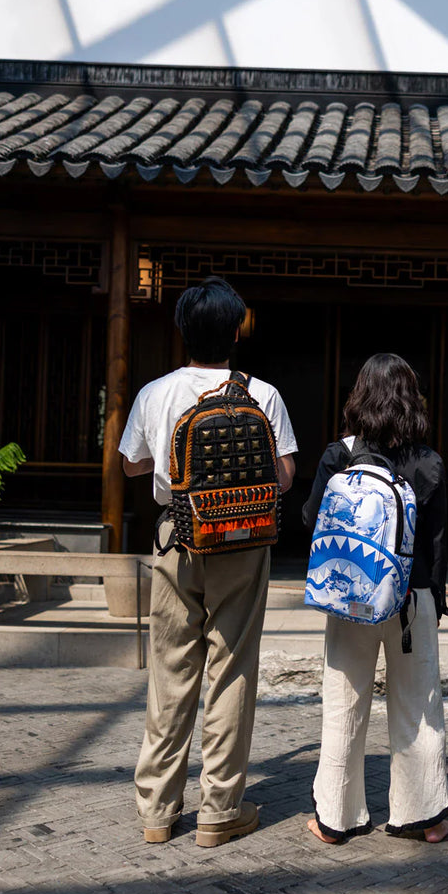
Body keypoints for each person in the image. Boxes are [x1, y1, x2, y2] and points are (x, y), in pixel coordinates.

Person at [119, 276, 297, 847]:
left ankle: (157, 812)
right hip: (241, 541)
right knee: (232, 668)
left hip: (176, 537)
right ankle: (220, 809)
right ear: (235, 331)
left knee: (171, 669)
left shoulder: (155, 392)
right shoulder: (262, 394)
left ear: (182, 332)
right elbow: (286, 477)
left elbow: (130, 466)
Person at [302, 353, 448, 845]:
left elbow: (310, 520)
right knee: (417, 705)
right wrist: (436, 600)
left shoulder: (337, 456)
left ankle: (336, 819)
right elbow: (436, 542)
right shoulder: (428, 462)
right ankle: (422, 816)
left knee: (344, 703)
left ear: (359, 397)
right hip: (411, 600)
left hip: (350, 597)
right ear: (413, 401)